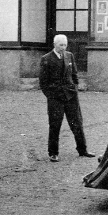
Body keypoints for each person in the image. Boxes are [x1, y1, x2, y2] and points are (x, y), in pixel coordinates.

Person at [39, 34, 94, 162]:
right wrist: (51, 96)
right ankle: (53, 152)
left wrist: (74, 89)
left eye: (65, 45)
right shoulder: (46, 59)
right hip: (55, 98)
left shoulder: (69, 56)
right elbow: (43, 82)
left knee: (77, 124)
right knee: (55, 125)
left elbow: (75, 75)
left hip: (71, 96)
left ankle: (82, 149)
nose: (63, 48)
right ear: (54, 45)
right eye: (60, 45)